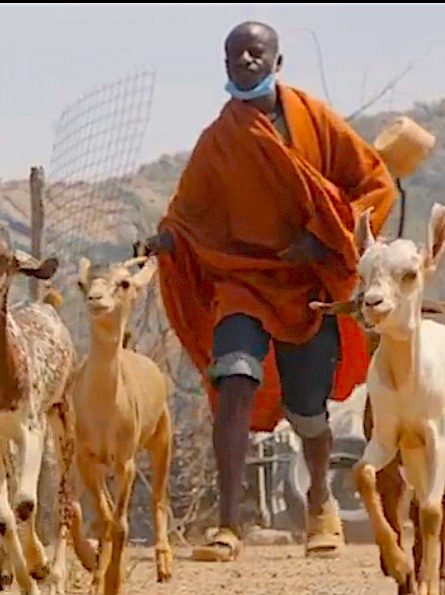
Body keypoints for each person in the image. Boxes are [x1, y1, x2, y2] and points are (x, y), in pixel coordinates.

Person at [142, 21, 397, 562]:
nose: (245, 62)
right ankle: (228, 525)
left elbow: (375, 185)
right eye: (234, 55)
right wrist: (164, 239)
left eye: (256, 53)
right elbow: (188, 214)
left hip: (305, 287)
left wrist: (324, 237)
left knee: (308, 411)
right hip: (243, 283)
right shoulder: (220, 140)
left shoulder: (315, 119)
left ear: (277, 63)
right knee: (232, 379)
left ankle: (321, 503)